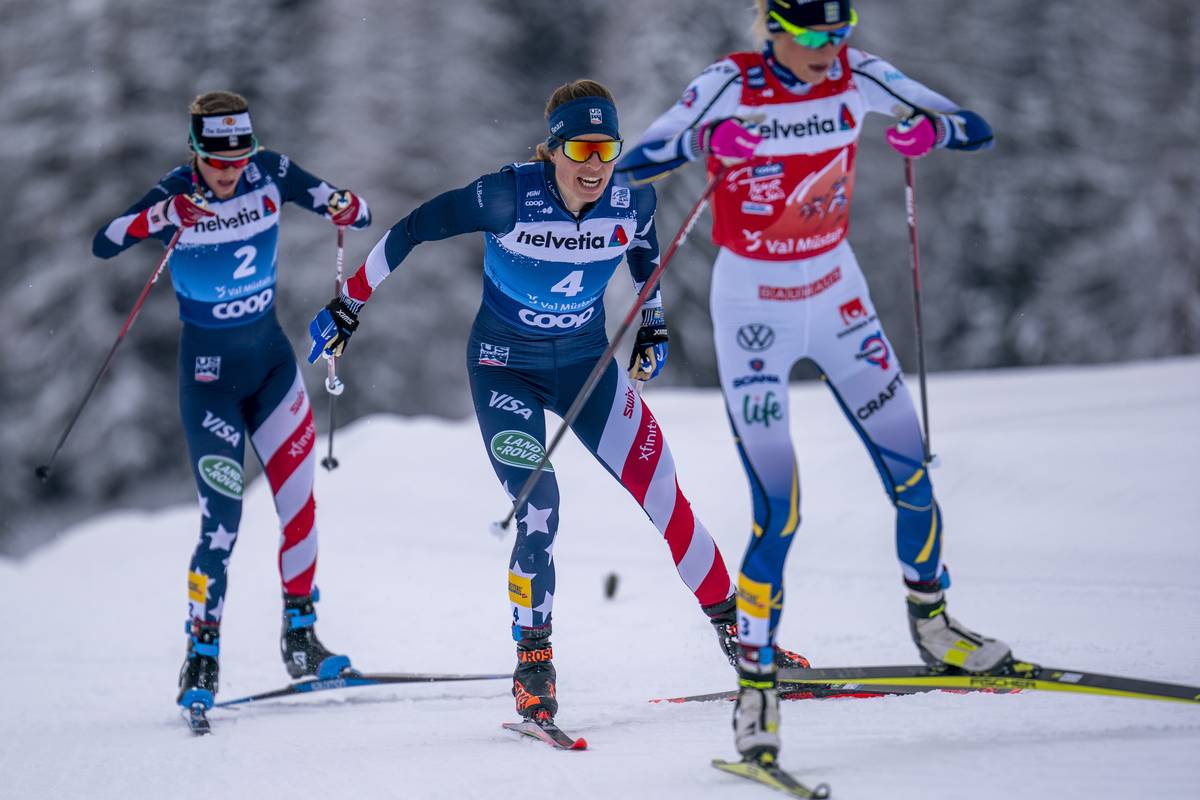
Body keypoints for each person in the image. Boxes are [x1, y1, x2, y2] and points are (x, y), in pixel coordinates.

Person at [307, 79, 807, 729]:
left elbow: (644, 250)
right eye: (580, 148)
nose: (594, 164)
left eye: (606, 148)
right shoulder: (506, 195)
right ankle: (533, 664)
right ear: (553, 151)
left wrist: (650, 321)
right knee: (538, 507)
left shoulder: (633, 197)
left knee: (667, 498)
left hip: (586, 371)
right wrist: (349, 303)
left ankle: (741, 639)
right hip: (503, 371)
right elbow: (410, 230)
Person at [618, 0, 1012, 766]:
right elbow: (639, 157)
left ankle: (934, 626)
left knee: (911, 471)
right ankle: (758, 692)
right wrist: (705, 141)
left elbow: (972, 125)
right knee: (780, 510)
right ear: (771, 28)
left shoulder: (857, 74)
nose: (831, 49)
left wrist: (933, 130)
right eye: (813, 36)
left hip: (836, 292)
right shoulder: (728, 83)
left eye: (842, 32)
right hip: (753, 305)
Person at [92, 91, 371, 712]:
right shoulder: (177, 190)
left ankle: (301, 639)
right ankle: (202, 653)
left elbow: (354, 208)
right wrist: (160, 215)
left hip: (271, 368)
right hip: (209, 381)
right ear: (195, 151)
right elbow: (104, 242)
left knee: (298, 506)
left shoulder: (270, 171)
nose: (229, 170)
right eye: (217, 158)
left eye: (238, 154)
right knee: (222, 526)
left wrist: (345, 206)